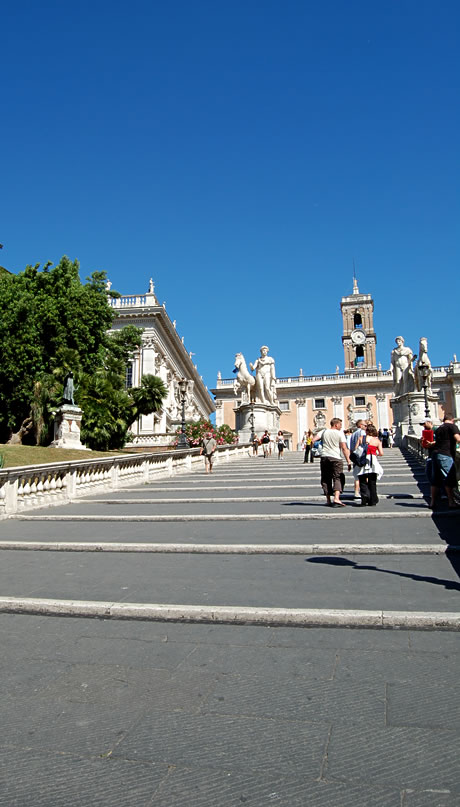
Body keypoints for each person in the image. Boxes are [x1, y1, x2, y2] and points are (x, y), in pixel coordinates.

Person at [314, 418, 351, 508]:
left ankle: (328, 500)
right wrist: (348, 461)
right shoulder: (339, 433)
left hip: (324, 456)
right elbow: (344, 448)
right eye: (340, 425)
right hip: (335, 457)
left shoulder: (324, 431)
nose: (341, 426)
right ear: (336, 425)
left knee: (326, 478)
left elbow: (313, 439)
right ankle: (336, 498)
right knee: (338, 477)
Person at [427, 415, 460, 510]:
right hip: (446, 455)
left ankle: (432, 502)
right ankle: (451, 502)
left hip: (435, 454)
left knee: (435, 479)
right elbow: (457, 438)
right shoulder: (452, 426)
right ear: (452, 420)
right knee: (448, 477)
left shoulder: (439, 428)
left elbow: (438, 442)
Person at [354, 424, 384, 506]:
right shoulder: (377, 441)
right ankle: (373, 500)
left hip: (362, 460)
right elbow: (381, 453)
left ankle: (364, 499)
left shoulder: (361, 438)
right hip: (372, 461)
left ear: (366, 431)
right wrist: (375, 453)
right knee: (372, 482)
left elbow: (356, 449)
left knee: (362, 481)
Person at [350, 419, 367, 499]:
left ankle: (356, 492)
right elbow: (364, 443)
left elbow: (350, 446)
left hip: (355, 456)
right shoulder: (362, 432)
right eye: (365, 425)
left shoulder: (353, 434)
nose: (366, 427)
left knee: (356, 475)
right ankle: (364, 491)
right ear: (360, 425)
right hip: (362, 455)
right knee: (364, 474)